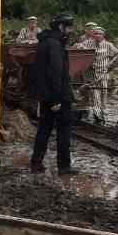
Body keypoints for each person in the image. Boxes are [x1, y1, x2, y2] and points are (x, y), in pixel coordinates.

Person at [30, 13, 78, 175]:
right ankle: (64, 166)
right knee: (64, 127)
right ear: (60, 27)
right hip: (57, 94)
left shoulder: (44, 41)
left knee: (44, 128)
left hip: (45, 93)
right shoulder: (55, 45)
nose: (70, 31)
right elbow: (55, 73)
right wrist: (56, 99)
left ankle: (36, 163)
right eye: (68, 28)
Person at [82, 26, 118, 124]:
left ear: (103, 35)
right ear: (93, 34)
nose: (98, 36)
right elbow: (78, 49)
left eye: (100, 34)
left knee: (103, 94)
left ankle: (103, 113)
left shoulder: (108, 45)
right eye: (96, 34)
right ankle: (97, 114)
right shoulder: (87, 43)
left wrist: (110, 65)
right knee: (94, 95)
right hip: (91, 73)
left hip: (103, 74)